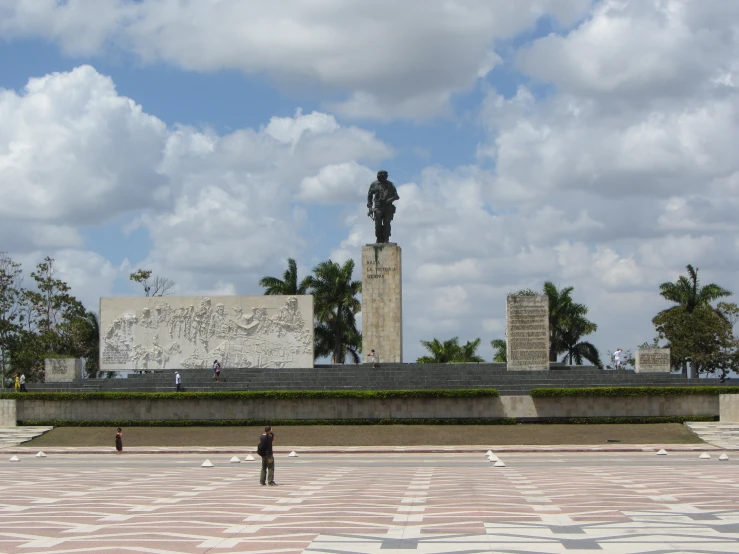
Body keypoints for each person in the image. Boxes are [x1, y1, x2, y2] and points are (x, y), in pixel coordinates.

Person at [367, 170, 400, 243]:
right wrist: (370, 207)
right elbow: (369, 195)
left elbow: (396, 196)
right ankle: (379, 238)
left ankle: (386, 239)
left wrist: (389, 200)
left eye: (384, 176)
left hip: (388, 207)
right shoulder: (374, 184)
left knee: (387, 224)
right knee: (378, 224)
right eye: (380, 176)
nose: (382, 177)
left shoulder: (390, 185)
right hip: (378, 207)